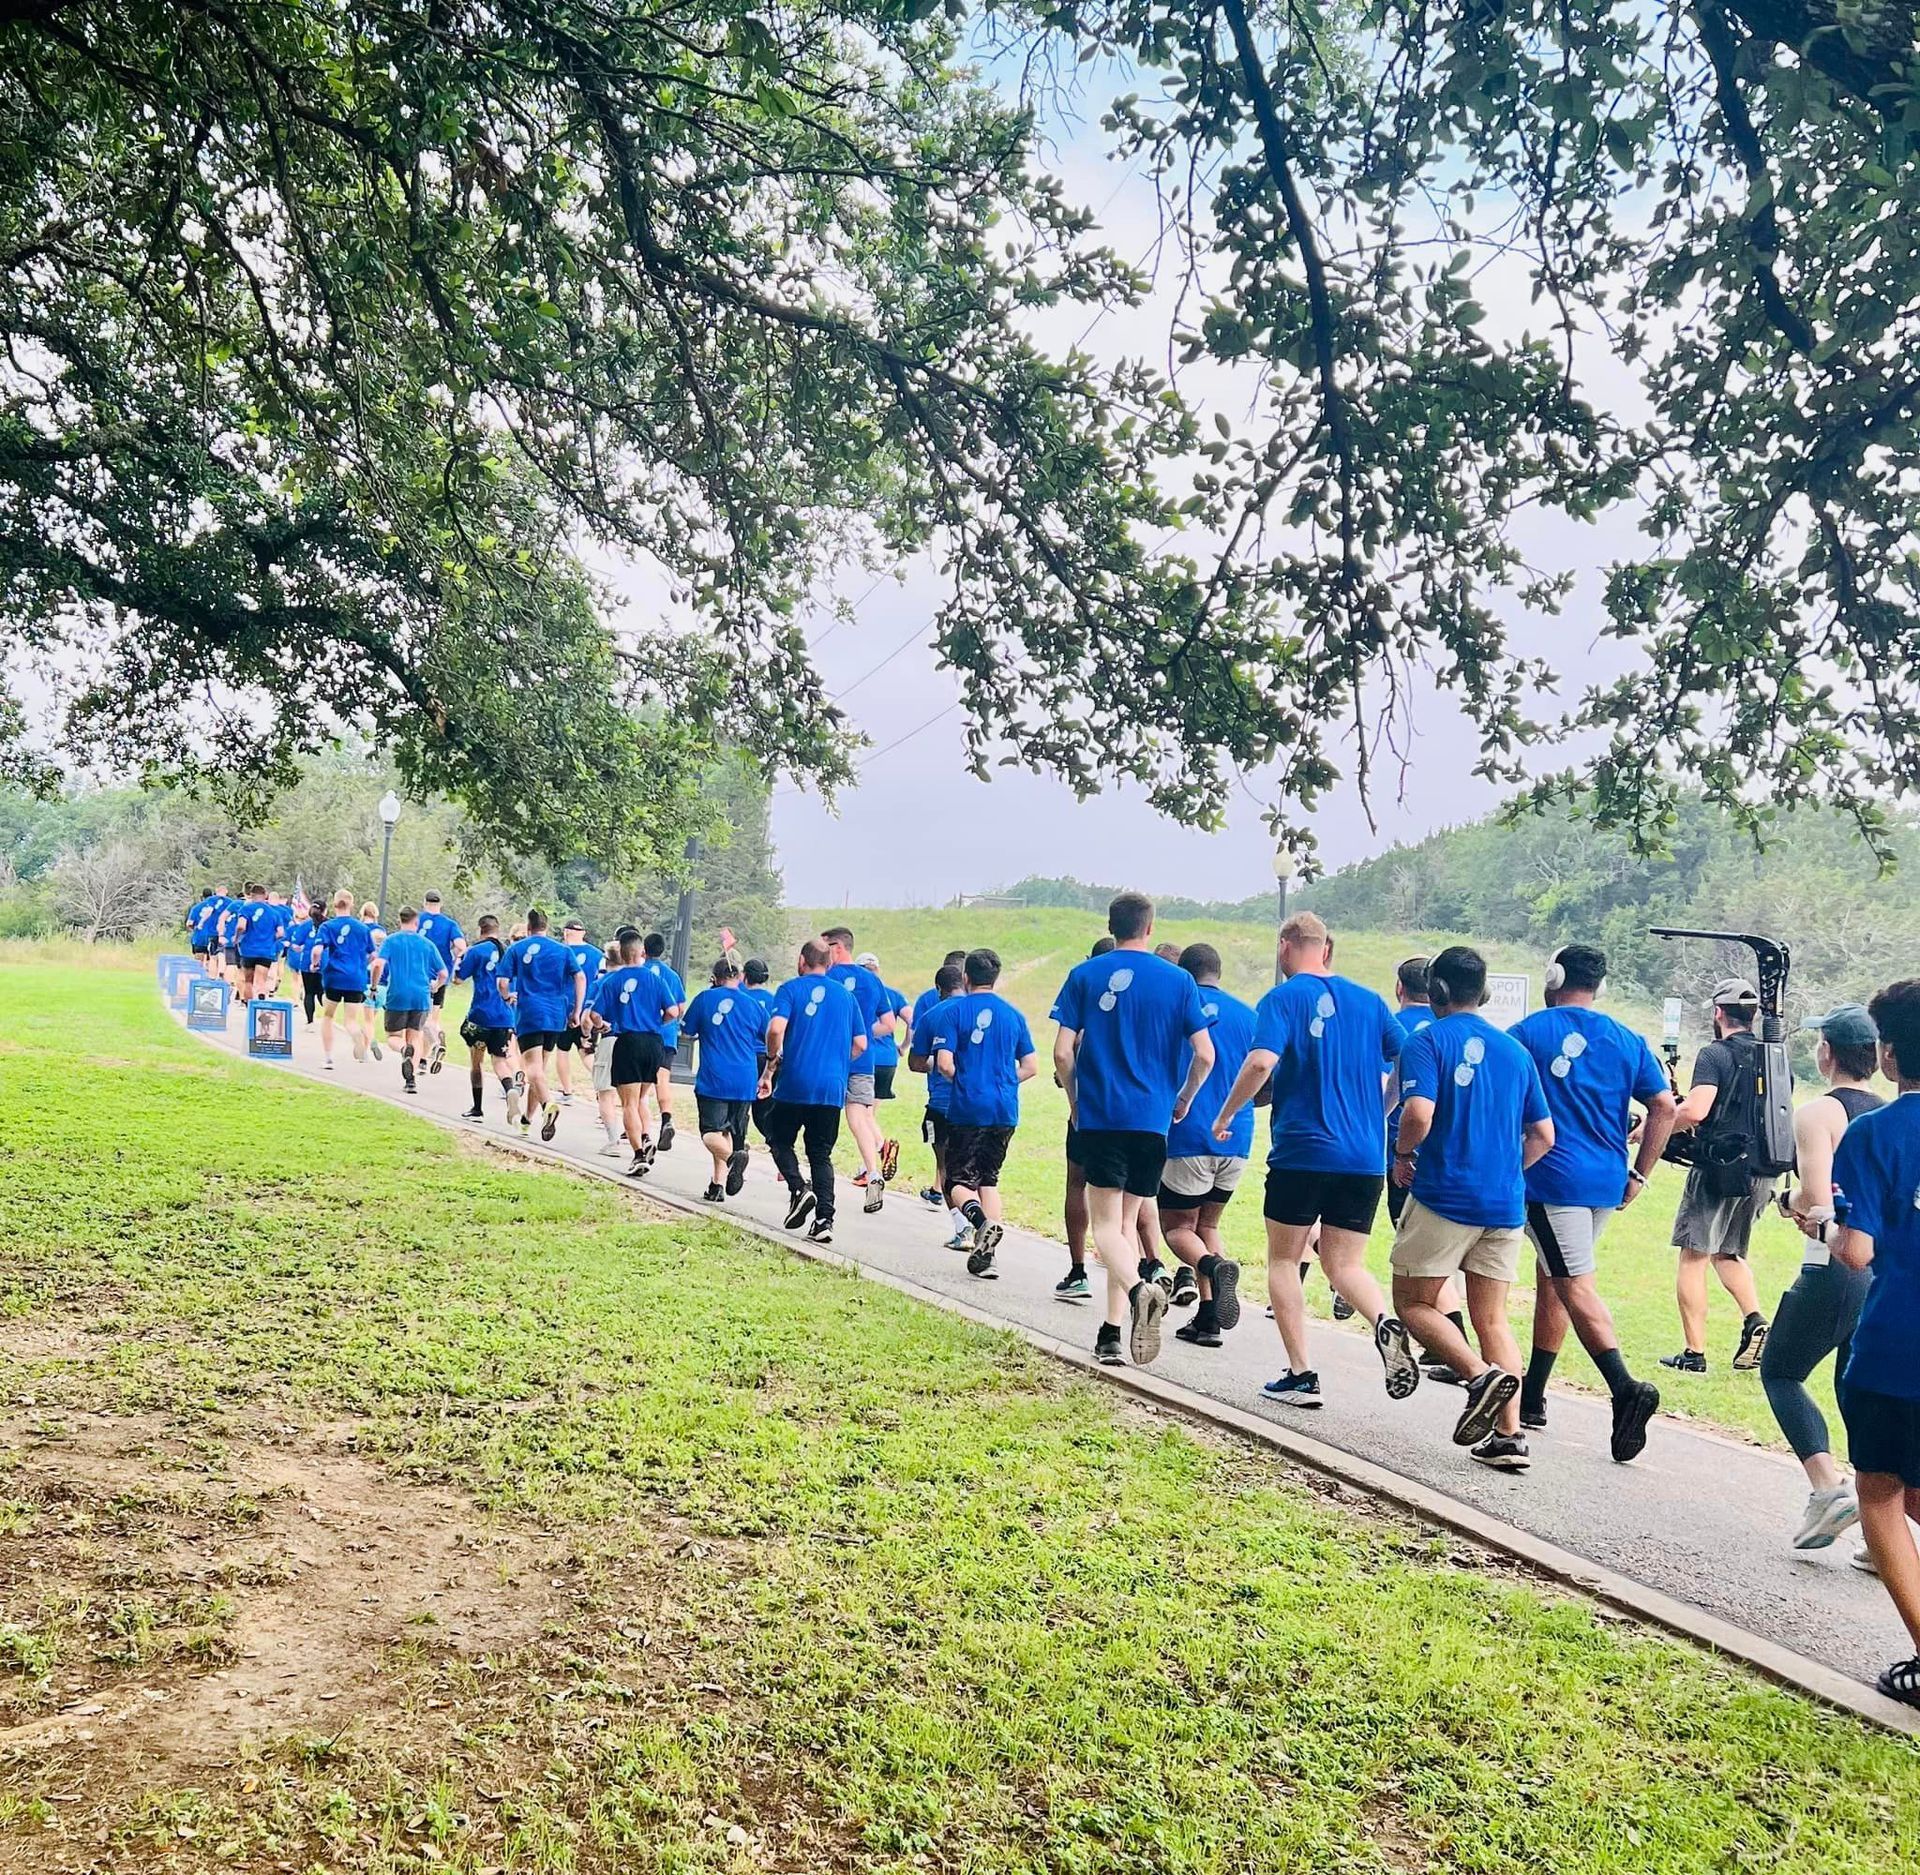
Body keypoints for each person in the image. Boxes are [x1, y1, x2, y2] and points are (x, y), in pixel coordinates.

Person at [1209, 911, 1415, 1410]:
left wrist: (1226, 1113)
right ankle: (1384, 1321)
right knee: (1345, 1264)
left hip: (1302, 1152)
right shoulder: (1369, 1001)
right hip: (1363, 1157)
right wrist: (1380, 1108)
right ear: (1325, 947)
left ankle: (1301, 1374)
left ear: (1286, 946)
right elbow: (1407, 1056)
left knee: (1284, 1258)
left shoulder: (1282, 998)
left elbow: (1261, 1062)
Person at [1391, 945, 1555, 1470]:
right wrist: (1506, 1169)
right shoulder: (1515, 1052)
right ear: (1482, 992)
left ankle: (1477, 1377)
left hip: (1444, 1195)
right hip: (1505, 1205)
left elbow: (1417, 1112)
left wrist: (1403, 1153)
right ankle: (1509, 1437)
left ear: (1436, 990)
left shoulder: (1427, 1042)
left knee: (1413, 1303)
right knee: (1493, 1319)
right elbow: (1544, 1136)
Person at [1508, 944, 1675, 1463]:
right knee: (1556, 1280)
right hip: (1604, 1182)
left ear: (1553, 977)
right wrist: (1640, 1175)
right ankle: (1533, 1396)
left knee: (1573, 1284)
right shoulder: (1628, 1038)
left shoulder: (1528, 1032)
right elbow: (1664, 1107)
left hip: (1550, 1179)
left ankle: (1624, 1387)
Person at [1051, 893, 1214, 1368]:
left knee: (1104, 1227)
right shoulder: (1180, 980)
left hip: (1102, 1118)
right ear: (1150, 926)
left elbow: (1062, 1054)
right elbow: (1205, 1055)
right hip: (1153, 1123)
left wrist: (1075, 1101)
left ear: (1111, 924)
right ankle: (1111, 1333)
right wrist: (1182, 1099)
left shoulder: (1084, 975)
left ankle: (1142, 1288)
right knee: (1126, 1226)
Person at [1764, 1004, 1886, 1548]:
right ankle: (1881, 1530)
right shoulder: (1887, 1113)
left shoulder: (1818, 1114)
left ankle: (1826, 1487)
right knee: (1849, 1387)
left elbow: (1818, 1198)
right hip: (1886, 1273)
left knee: (1781, 1371)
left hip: (1835, 1263)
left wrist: (1786, 1198)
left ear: (1828, 1052)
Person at [1829, 978, 1920, 1709]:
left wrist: (1821, 1224)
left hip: (1896, 1344)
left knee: (1881, 1494)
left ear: (1888, 1055)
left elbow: (1856, 1251)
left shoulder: (1873, 1135)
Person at [1661, 978, 1779, 1374]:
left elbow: (1695, 1111)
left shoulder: (1715, 1055)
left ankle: (1693, 1353)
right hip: (1761, 1175)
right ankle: (1755, 1320)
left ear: (1718, 1014)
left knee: (1693, 1256)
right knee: (1728, 1253)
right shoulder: (1773, 1060)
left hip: (1720, 1170)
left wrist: (1656, 1127)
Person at [1159, 943, 1249, 1350]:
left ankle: (1211, 1266)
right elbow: (1267, 1080)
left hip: (1188, 1133)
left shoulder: (1177, 1009)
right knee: (1208, 1225)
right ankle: (1208, 1320)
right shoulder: (1250, 1016)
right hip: (1237, 1139)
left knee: (1178, 1227)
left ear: (1184, 973)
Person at [932, 948, 1038, 1278]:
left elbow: (944, 1063)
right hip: (1005, 1109)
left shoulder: (953, 1012)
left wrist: (966, 1080)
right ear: (996, 978)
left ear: (965, 977)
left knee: (957, 1181)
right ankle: (988, 1256)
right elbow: (1031, 1066)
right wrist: (1003, 1081)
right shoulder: (1014, 1015)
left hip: (968, 1109)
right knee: (989, 1180)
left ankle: (980, 1224)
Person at [760, 940, 866, 1245]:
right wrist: (835, 1061)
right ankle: (824, 1221)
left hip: (796, 1081)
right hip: (832, 1087)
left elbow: (776, 1029)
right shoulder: (847, 997)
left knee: (778, 1137)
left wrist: (771, 1061)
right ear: (829, 964)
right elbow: (861, 1044)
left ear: (802, 960)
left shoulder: (791, 990)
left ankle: (798, 1188)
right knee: (821, 1154)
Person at [585, 930, 680, 1175]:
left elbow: (595, 1015)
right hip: (653, 1043)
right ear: (642, 953)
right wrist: (657, 1023)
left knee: (628, 1102)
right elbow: (673, 1011)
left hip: (627, 1041)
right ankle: (647, 1136)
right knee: (640, 1098)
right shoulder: (655, 979)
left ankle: (638, 1154)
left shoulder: (611, 981)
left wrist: (602, 1025)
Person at [1054, 934, 1116, 1301]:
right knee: (1136, 1197)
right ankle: (1148, 1263)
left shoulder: (1084, 983)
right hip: (1142, 1115)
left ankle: (1078, 1270)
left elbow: (1064, 1054)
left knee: (1077, 1184)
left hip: (1090, 1110)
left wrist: (1075, 1101)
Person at [682, 957, 770, 1202]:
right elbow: (769, 1035)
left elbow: (687, 1032)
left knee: (710, 1133)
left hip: (714, 1078)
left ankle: (733, 1160)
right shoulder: (753, 1005)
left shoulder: (704, 999)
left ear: (715, 977)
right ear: (740, 978)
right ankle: (717, 1184)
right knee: (728, 1131)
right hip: (745, 1078)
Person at [822, 927, 895, 1211]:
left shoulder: (828, 978)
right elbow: (889, 1024)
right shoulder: (873, 981)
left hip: (830, 1058)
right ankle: (873, 1171)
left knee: (821, 1113)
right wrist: (863, 1032)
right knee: (859, 1114)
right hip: (864, 1059)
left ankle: (803, 1170)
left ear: (837, 948)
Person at [497, 910, 587, 1141]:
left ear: (528, 927)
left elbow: (502, 982)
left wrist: (507, 997)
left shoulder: (516, 949)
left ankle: (549, 1104)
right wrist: (576, 1010)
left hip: (530, 1013)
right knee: (540, 1072)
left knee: (533, 1069)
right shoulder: (563, 950)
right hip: (556, 1014)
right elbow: (580, 977)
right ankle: (527, 1119)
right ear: (547, 927)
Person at [909, 963, 968, 1247]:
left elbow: (915, 1062)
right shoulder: (981, 1013)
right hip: (978, 1107)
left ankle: (963, 1225)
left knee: (946, 1168)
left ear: (938, 989)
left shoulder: (932, 1016)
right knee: (977, 1172)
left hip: (942, 1104)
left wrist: (936, 1063)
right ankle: (983, 1224)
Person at [371, 907, 447, 1094]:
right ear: (416, 922)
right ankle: (411, 1082)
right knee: (415, 1036)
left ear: (400, 921)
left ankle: (404, 1051)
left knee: (394, 1037)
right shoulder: (427, 944)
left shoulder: (391, 940)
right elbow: (443, 973)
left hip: (397, 994)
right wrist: (436, 986)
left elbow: (378, 964)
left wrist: (374, 986)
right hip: (421, 996)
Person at [455, 914, 519, 1124]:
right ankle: (510, 1089)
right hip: (504, 1017)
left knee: (477, 1063)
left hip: (481, 1015)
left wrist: (458, 958)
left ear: (480, 929)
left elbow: (458, 979)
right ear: (498, 930)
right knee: (500, 1061)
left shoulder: (475, 951)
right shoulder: (509, 952)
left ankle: (477, 1108)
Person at [313, 889, 378, 1068]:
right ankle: (356, 1034)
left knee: (328, 1016)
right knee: (350, 1020)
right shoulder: (363, 929)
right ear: (352, 904)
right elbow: (374, 956)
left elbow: (317, 950)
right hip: (356, 978)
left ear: (334, 905)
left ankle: (327, 1057)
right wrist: (362, 964)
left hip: (335, 976)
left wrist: (315, 964)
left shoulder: (327, 927)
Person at [860, 950, 910, 1180]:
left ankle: (881, 1148)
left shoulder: (861, 993)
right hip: (889, 1060)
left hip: (866, 1058)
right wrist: (903, 1046)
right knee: (870, 1114)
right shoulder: (893, 995)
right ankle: (866, 1166)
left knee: (862, 1115)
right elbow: (913, 1020)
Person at [640, 933, 686, 1151]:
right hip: (667, 1036)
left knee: (639, 1090)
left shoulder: (641, 972)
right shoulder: (672, 975)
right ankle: (667, 1119)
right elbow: (680, 1007)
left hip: (644, 1035)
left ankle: (642, 1134)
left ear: (643, 950)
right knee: (663, 1079)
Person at [416, 891, 464, 1073]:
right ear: (440, 903)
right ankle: (425, 1056)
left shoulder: (417, 920)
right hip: (439, 974)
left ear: (424, 902)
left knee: (419, 1020)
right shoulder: (449, 924)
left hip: (418, 974)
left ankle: (425, 1054)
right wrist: (455, 959)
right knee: (433, 1018)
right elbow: (461, 946)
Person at [555, 918, 601, 1105]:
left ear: (566, 932)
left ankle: (567, 1091)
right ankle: (602, 1088)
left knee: (562, 1049)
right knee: (587, 1051)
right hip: (590, 1010)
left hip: (567, 1008)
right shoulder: (597, 955)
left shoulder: (561, 952)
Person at [231, 884, 291, 1005]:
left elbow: (241, 926)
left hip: (249, 949)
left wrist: (236, 938)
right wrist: (271, 939)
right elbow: (281, 933)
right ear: (265, 896)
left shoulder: (246, 909)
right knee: (261, 980)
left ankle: (249, 1006)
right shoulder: (274, 913)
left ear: (251, 895)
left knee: (248, 980)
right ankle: (261, 998)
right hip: (266, 950)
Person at [742, 958, 778, 1144]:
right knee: (764, 1113)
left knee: (738, 1106)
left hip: (744, 1057)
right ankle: (779, 1150)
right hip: (768, 1059)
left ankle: (739, 1142)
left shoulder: (741, 997)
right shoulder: (774, 1000)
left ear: (744, 976)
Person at [284, 903, 323, 1025]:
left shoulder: (305, 926)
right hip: (325, 961)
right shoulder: (329, 924)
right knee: (323, 991)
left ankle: (310, 1021)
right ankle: (328, 1016)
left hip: (308, 962)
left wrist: (302, 948)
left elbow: (295, 944)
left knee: (309, 992)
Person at [188, 887, 226, 967]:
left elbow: (190, 923)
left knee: (199, 960)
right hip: (215, 934)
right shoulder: (220, 907)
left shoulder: (196, 908)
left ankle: (199, 975)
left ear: (202, 896)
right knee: (213, 959)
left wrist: (194, 928)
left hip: (199, 937)